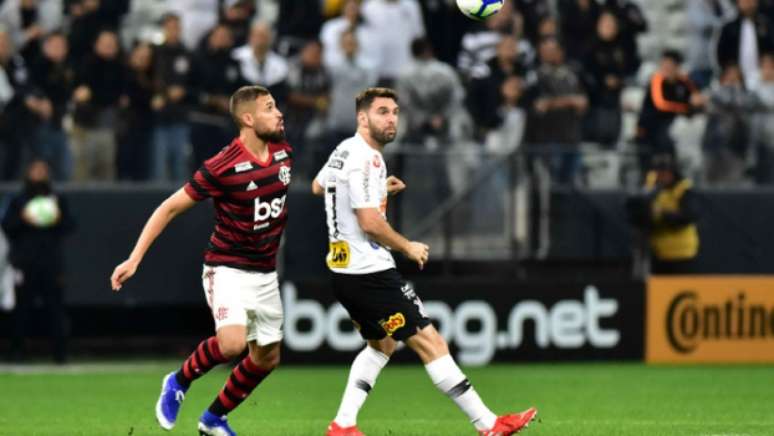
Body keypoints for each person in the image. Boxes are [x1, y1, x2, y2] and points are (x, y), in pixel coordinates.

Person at [312, 87, 537, 436]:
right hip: (370, 272)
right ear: (362, 117)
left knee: (382, 344)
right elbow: (369, 223)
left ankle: (343, 424)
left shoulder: (344, 150)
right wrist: (407, 247)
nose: (391, 119)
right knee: (431, 342)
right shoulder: (364, 157)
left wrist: (376, 190)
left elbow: (318, 186)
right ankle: (488, 424)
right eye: (383, 112)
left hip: (344, 272)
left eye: (395, 112)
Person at [110, 85, 292, 436]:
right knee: (232, 344)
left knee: (267, 359)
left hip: (265, 274)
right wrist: (135, 258)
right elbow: (169, 208)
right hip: (227, 268)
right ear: (248, 118)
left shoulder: (283, 151)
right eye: (270, 108)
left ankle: (213, 419)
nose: (279, 113)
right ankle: (178, 380)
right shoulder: (222, 165)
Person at [2, 159, 75, 363]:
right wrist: (23, 218)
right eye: (35, 170)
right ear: (28, 174)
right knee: (21, 310)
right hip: (25, 263)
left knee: (56, 309)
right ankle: (17, 353)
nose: (39, 174)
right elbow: (7, 225)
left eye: (43, 170)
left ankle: (60, 355)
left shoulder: (56, 199)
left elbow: (70, 225)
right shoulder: (18, 200)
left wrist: (58, 218)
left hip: (52, 263)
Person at [626, 153, 700, 275]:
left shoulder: (683, 189)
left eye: (665, 172)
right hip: (658, 252)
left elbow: (689, 216)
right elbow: (635, 210)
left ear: (672, 173)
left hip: (681, 252)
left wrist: (662, 215)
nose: (661, 176)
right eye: (658, 172)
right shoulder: (650, 188)